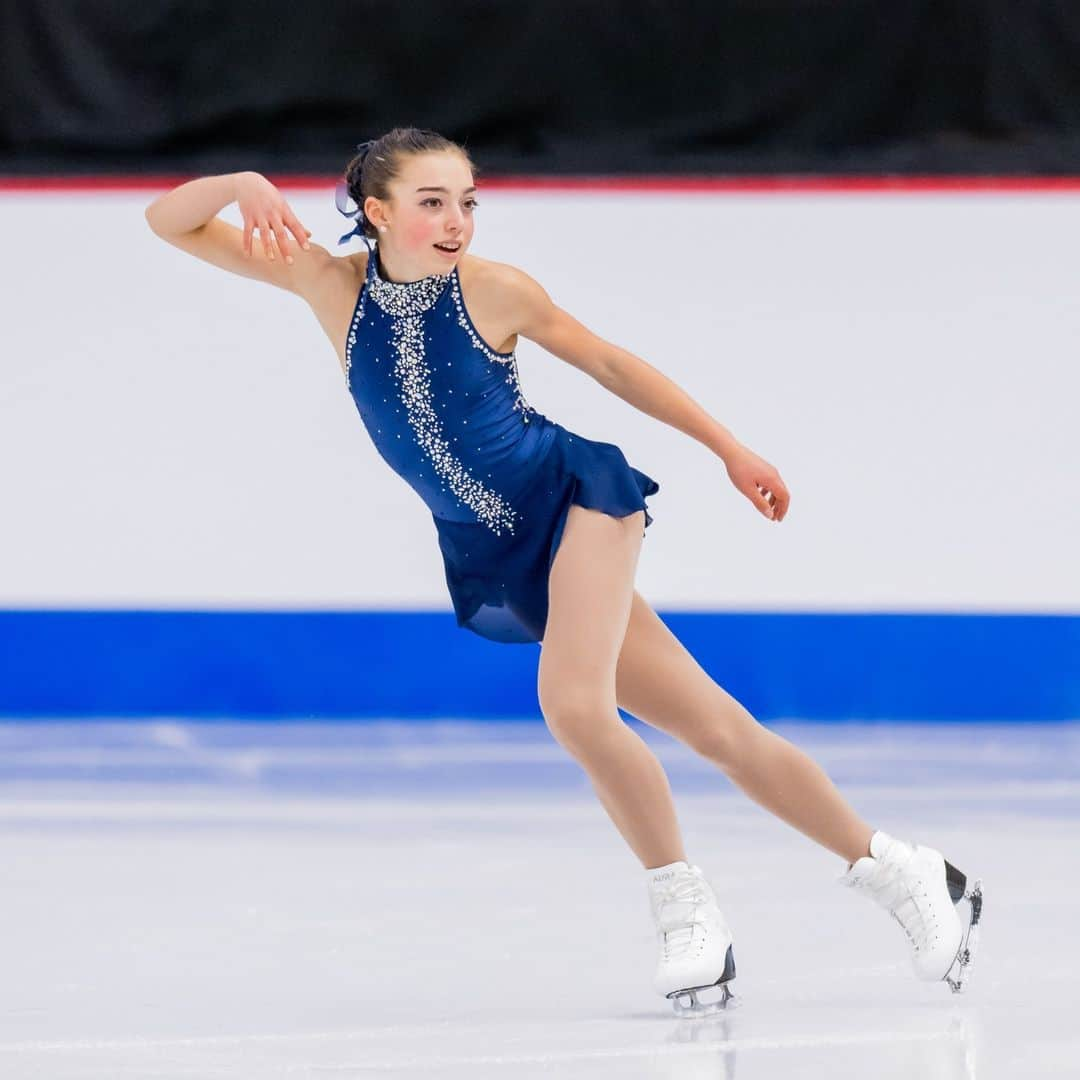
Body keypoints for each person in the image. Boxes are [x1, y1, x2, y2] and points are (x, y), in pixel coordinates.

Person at [144, 126, 982, 1017]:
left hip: (577, 498)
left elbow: (612, 364)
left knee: (575, 706)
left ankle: (687, 916)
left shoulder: (494, 290)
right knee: (718, 730)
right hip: (498, 549)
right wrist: (239, 180)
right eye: (432, 202)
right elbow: (170, 221)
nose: (457, 219)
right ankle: (909, 874)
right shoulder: (326, 285)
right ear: (377, 211)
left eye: (467, 200)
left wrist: (729, 450)